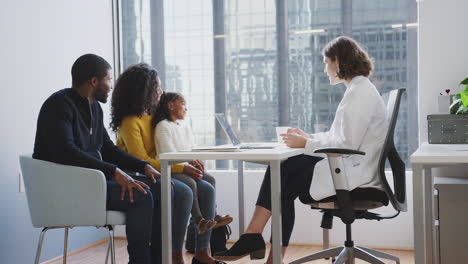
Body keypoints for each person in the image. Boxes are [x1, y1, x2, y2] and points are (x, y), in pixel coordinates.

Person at [214, 36, 388, 263]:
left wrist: (306, 144)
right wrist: (309, 137)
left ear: (339, 61)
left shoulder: (359, 92)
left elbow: (347, 144)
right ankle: (266, 249)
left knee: (283, 173)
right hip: (349, 167)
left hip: (353, 173)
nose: (325, 69)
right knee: (283, 175)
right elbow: (341, 136)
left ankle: (254, 238)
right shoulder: (358, 89)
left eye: (326, 62)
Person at [33, 54, 163, 264]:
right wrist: (113, 172)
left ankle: (157, 260)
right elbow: (66, 152)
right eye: (108, 79)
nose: (111, 86)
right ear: (94, 81)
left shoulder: (94, 107)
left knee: (162, 188)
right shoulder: (58, 105)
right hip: (67, 189)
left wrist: (143, 165)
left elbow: (108, 149)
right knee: (141, 195)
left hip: (93, 184)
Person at [110, 63, 225, 264]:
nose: (160, 92)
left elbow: (170, 142)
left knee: (207, 186)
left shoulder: (155, 116)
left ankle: (202, 252)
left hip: (163, 167)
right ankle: (175, 255)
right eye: (156, 88)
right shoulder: (130, 122)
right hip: (142, 172)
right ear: (143, 91)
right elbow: (141, 161)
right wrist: (182, 167)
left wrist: (189, 159)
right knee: (184, 191)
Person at [153, 92, 233, 233]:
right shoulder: (162, 126)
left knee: (210, 179)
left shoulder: (185, 126)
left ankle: (212, 216)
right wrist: (189, 164)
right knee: (190, 183)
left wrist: (196, 162)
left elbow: (192, 150)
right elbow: (168, 155)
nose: (186, 108)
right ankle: (199, 220)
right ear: (171, 105)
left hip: (185, 167)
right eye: (183, 103)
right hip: (170, 168)